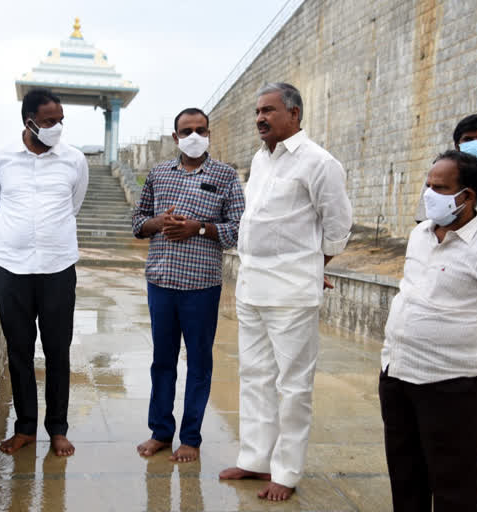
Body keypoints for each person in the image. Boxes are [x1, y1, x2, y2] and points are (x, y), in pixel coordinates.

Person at [219, 83, 352, 501]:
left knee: (293, 386)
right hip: (252, 286)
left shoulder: (319, 163)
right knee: (254, 376)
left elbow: (337, 229)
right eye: (257, 111)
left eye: (269, 110)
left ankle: (286, 472)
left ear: (294, 114)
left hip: (292, 293)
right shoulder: (261, 161)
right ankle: (255, 459)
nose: (260, 118)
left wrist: (315, 267)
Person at [380, 150, 477, 511]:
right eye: (428, 185)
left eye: (439, 188)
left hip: (455, 384)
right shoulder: (420, 235)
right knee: (406, 476)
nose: (429, 194)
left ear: (467, 196)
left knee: (453, 481)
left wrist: (474, 360)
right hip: (398, 375)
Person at [132, 107, 245, 463]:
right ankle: (160, 432)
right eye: (186, 131)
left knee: (198, 363)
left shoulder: (225, 176)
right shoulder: (158, 174)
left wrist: (198, 227)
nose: (194, 136)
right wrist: (157, 223)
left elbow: (239, 229)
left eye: (200, 130)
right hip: (161, 281)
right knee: (162, 361)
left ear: (209, 134)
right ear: (175, 136)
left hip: (201, 285)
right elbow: (136, 222)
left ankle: (191, 438)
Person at [0, 88, 88, 457]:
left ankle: (58, 428)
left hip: (58, 267)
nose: (57, 127)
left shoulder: (74, 160)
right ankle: (25, 427)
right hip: (12, 267)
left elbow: (74, 205)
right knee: (19, 350)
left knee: (58, 350)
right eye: (48, 121)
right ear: (28, 122)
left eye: (60, 120)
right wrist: (19, 240)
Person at [415, 114, 477, 466]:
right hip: (452, 280)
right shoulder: (439, 181)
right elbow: (426, 233)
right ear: (457, 143)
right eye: (471, 137)